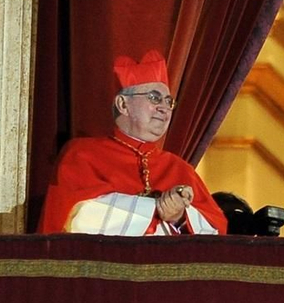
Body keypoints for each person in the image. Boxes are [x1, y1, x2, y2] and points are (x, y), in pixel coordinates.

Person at [39, 50, 226, 235]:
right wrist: (156, 208)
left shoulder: (181, 169)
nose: (164, 108)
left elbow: (215, 233)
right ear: (123, 104)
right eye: (154, 98)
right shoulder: (82, 154)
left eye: (169, 102)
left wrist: (179, 217)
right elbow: (81, 217)